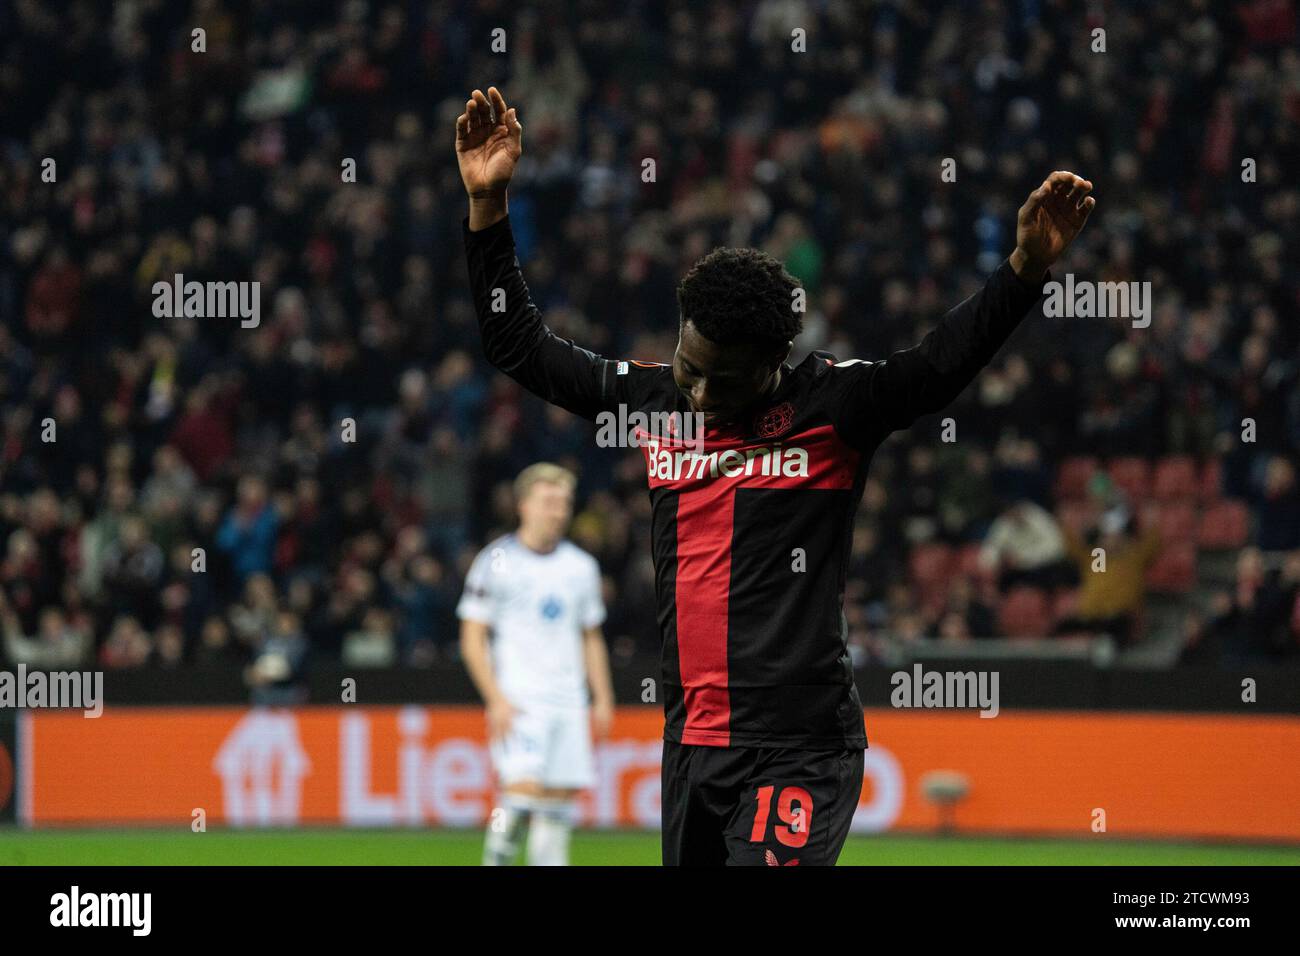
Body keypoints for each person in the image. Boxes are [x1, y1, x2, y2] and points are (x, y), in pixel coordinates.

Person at [456, 86, 1094, 865]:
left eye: (719, 381)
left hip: (799, 747)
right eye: (688, 367)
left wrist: (1025, 268)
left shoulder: (836, 408)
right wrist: (488, 209)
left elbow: (938, 366)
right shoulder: (655, 402)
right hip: (693, 743)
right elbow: (518, 347)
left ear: (772, 365)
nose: (696, 392)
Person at [457, 463, 615, 866]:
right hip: (520, 701)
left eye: (564, 503)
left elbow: (590, 636)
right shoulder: (494, 561)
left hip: (568, 703)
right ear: (524, 505)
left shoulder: (581, 567)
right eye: (549, 502)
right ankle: (495, 860)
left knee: (557, 810)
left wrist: (602, 697)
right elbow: (472, 637)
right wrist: (494, 698)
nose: (558, 512)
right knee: (519, 799)